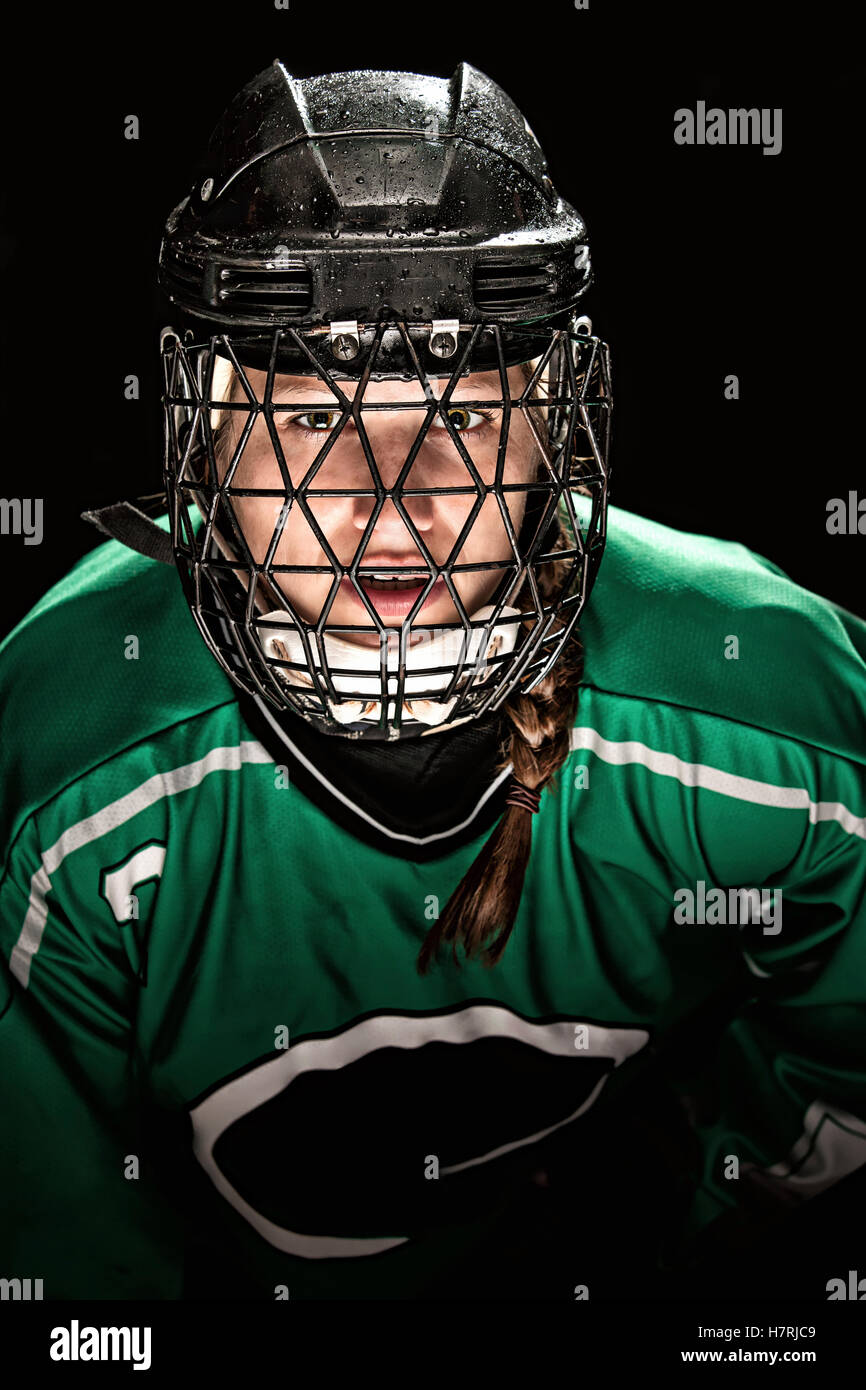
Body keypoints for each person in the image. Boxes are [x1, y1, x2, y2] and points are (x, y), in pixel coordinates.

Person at [0, 59, 864, 1303]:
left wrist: (708, 1267)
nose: (388, 504)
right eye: (309, 419)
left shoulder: (764, 705)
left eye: (457, 415)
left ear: (552, 417)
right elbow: (53, 1255)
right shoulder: (72, 753)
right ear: (203, 425)